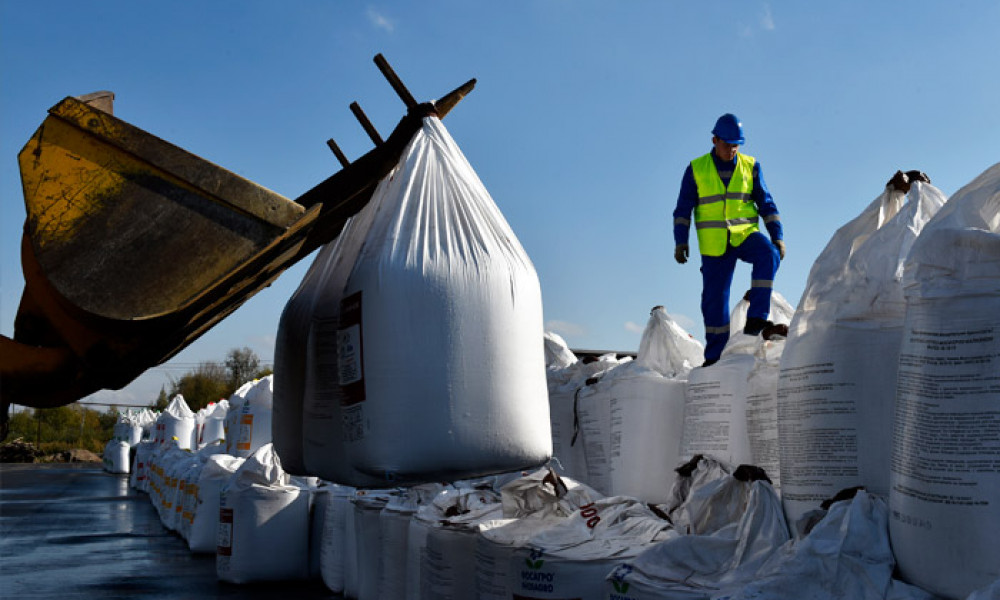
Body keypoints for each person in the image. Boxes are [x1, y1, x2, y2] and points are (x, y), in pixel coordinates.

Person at [673, 113, 785, 366]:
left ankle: (757, 318)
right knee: (714, 302)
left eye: (736, 145)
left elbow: (767, 203)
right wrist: (681, 241)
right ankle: (715, 358)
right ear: (714, 140)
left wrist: (777, 236)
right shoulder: (696, 169)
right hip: (714, 244)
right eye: (727, 144)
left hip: (744, 234)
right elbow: (682, 210)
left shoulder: (751, 166)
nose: (732, 149)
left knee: (768, 254)